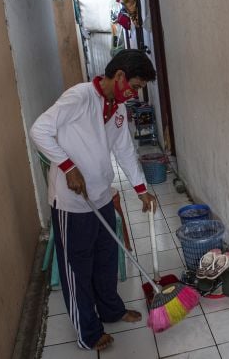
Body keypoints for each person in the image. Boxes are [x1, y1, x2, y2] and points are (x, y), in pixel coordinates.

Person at [30, 49, 157, 351]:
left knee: (106, 260)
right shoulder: (80, 97)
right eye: (136, 86)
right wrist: (68, 166)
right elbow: (39, 131)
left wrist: (141, 188)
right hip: (72, 204)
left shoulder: (120, 109)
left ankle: (111, 310)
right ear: (120, 76)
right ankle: (88, 332)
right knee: (78, 269)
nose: (135, 92)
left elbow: (125, 149)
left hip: (100, 195)